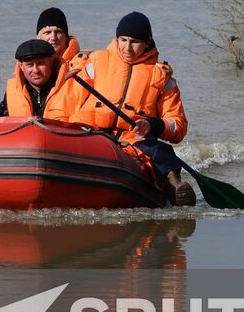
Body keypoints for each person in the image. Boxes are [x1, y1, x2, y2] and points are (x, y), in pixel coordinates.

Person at [70, 11, 195, 206]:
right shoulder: (95, 62)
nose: (127, 47)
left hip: (132, 137)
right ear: (116, 39)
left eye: (135, 42)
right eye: (123, 40)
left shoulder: (161, 77)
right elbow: (69, 102)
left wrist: (152, 124)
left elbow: (177, 125)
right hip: (91, 131)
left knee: (160, 152)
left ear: (147, 42)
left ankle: (174, 186)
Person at [0, 38, 85, 118]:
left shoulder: (71, 86)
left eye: (41, 64)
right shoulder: (12, 91)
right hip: (24, 134)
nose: (36, 70)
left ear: (51, 62)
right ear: (21, 66)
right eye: (30, 65)